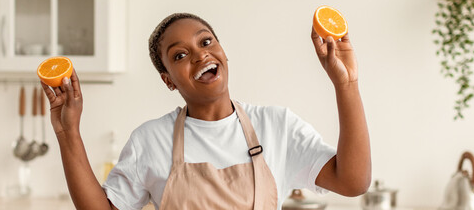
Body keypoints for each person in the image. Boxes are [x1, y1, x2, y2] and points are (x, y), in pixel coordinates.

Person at [41, 12, 371, 210]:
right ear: (168, 80)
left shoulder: (276, 126)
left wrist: (347, 84)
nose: (200, 55)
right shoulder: (151, 140)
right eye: (180, 55)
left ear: (222, 52)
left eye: (206, 42)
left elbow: (353, 181)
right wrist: (67, 132)